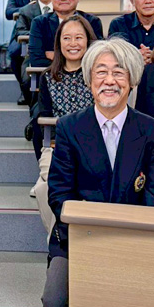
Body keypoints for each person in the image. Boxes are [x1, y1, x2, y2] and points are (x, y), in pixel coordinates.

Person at [42, 37, 154, 307]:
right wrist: (92, 231)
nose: (110, 81)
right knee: (54, 302)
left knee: (143, 304)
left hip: (135, 239)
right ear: (89, 81)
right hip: (75, 238)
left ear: (132, 80)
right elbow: (59, 194)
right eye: (101, 72)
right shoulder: (70, 127)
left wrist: (125, 238)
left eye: (119, 72)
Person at [31, 15, 97, 228]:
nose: (73, 43)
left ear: (88, 40)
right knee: (45, 190)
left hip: (95, 147)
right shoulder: (48, 77)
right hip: (58, 148)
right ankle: (58, 244)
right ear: (59, 43)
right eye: (67, 38)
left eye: (79, 37)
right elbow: (45, 123)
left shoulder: (98, 74)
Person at [28, 0, 103, 69]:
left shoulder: (92, 22)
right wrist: (74, 60)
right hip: (50, 79)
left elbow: (95, 58)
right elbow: (36, 61)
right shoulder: (39, 23)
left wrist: (55, 55)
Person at [9, 0, 54, 104]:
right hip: (34, 53)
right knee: (27, 80)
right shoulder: (26, 11)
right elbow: (20, 32)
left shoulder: (63, 8)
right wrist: (42, 38)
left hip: (62, 54)